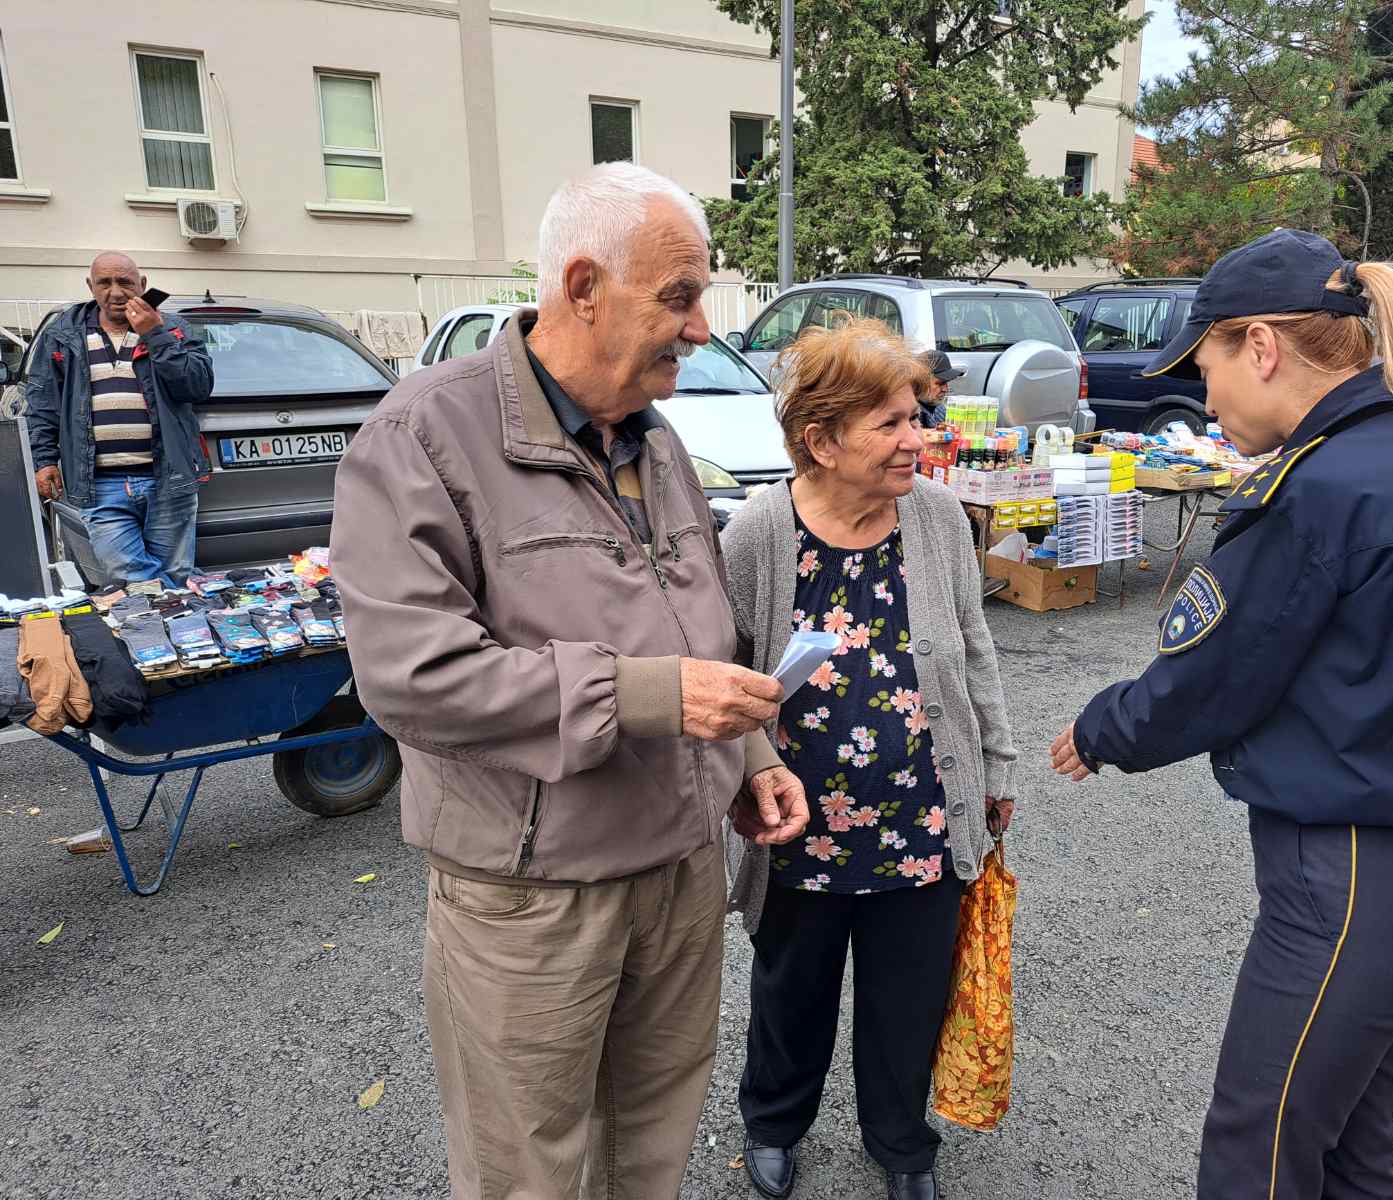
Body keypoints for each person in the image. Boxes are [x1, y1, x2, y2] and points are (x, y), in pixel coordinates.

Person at [1049, 229, 1393, 1200]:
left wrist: (1099, 728)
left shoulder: (1321, 486)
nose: (1204, 401)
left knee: (1259, 1148)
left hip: (1356, 872)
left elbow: (1212, 673)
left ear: (1259, 347)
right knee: (1349, 1153)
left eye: (1205, 368)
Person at [331, 162, 809, 1200]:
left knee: (650, 1143)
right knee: (527, 1170)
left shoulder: (657, 437)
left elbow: (702, 624)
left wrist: (751, 753)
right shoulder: (421, 436)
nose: (698, 328)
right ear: (583, 286)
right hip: (533, 898)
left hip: (680, 873)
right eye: (679, 299)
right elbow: (410, 676)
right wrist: (648, 697)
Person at [723, 319, 1017, 1200]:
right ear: (820, 440)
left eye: (914, 416)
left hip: (922, 818)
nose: (914, 439)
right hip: (799, 827)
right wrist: (748, 770)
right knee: (792, 994)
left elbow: (973, 652)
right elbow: (729, 678)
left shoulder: (934, 518)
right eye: (890, 423)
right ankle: (774, 1124)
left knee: (908, 1000)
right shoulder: (758, 534)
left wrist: (996, 773)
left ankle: (900, 1142)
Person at [27, 252, 213, 585]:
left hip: (167, 477)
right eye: (104, 283)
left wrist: (155, 335)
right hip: (100, 484)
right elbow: (43, 403)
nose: (115, 292)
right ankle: (173, 613)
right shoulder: (63, 335)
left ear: (142, 285)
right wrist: (44, 460)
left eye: (125, 282)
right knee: (127, 574)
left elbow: (196, 386)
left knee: (175, 571)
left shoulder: (174, 329)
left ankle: (176, 625)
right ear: (91, 286)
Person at [915, 350, 964, 428]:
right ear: (920, 383)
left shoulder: (939, 408)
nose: (946, 389)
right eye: (940, 383)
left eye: (946, 383)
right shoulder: (909, 416)